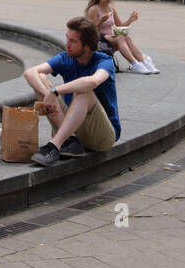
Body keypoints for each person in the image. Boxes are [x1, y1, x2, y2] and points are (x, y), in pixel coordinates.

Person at [24, 17, 121, 167]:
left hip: (101, 136)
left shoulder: (104, 61)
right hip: (72, 129)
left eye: (73, 41)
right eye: (67, 38)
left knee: (84, 91)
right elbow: (30, 72)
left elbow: (93, 81)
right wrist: (47, 93)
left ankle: (54, 146)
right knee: (41, 78)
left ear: (87, 46)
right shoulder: (66, 57)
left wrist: (55, 91)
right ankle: (70, 140)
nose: (67, 44)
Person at [84, 0, 158, 73]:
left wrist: (130, 20)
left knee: (126, 37)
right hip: (97, 38)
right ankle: (134, 64)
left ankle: (143, 62)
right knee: (120, 38)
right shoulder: (94, 9)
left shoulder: (111, 9)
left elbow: (120, 25)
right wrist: (101, 21)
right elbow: (91, 31)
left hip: (108, 37)